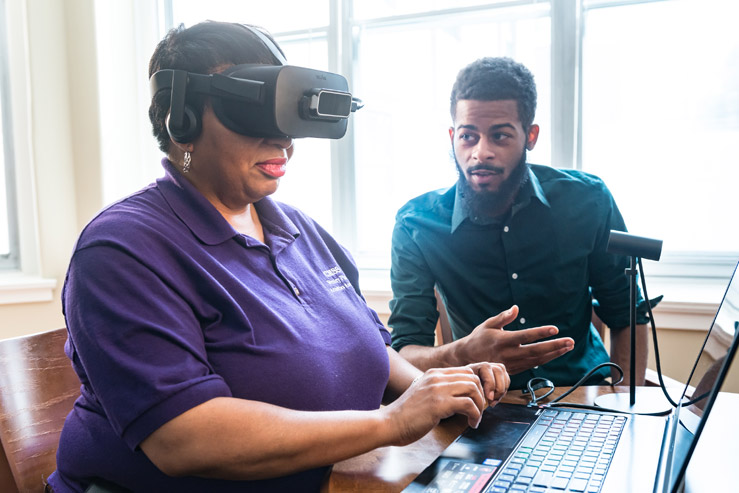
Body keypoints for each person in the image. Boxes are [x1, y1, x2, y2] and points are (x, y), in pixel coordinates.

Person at [46, 22, 510, 492]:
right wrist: (391, 422)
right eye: (251, 111)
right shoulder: (123, 248)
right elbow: (182, 438)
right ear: (181, 119)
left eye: (285, 113)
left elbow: (374, 352)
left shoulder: (299, 229)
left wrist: (442, 393)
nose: (282, 139)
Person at [388, 57, 652, 390]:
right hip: (481, 406)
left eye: (500, 136)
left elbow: (627, 313)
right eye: (468, 136)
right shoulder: (417, 224)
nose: (481, 152)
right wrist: (461, 353)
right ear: (453, 136)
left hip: (583, 394)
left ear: (530, 135)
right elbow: (405, 351)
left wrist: (625, 402)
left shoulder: (589, 200)